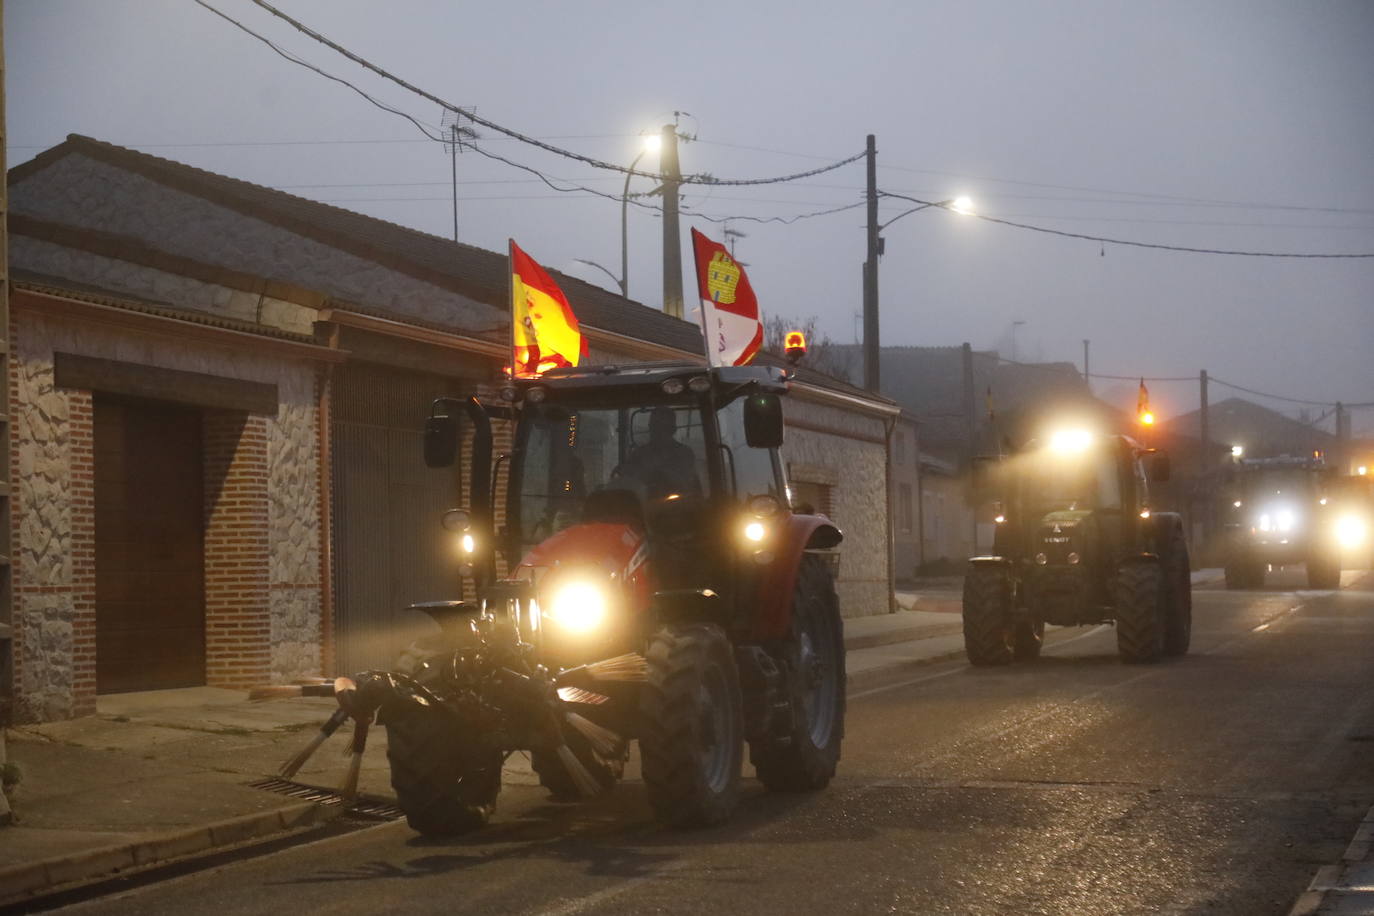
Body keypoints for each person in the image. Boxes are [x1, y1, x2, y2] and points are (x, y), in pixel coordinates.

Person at [620, 407, 702, 499]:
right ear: (650, 427)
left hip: (678, 506)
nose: (658, 432)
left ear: (673, 429)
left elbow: (686, 482)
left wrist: (660, 474)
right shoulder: (638, 454)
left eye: (664, 428)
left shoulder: (684, 454)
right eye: (655, 426)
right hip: (644, 506)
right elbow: (629, 481)